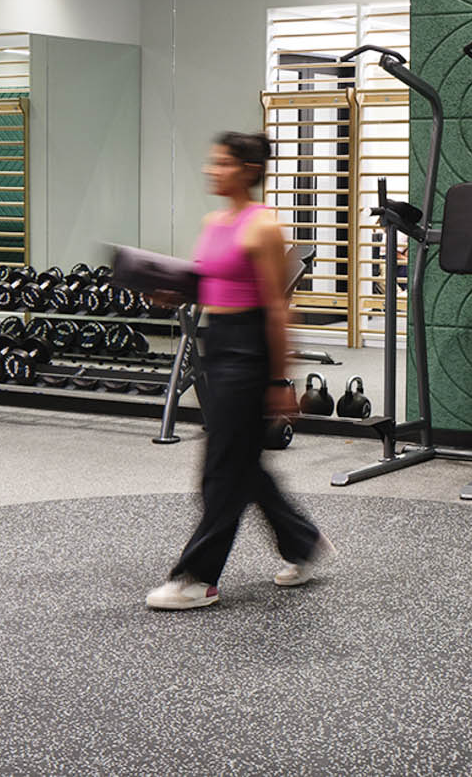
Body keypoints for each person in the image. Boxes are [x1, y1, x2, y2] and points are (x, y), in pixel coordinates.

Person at [147, 130, 333, 609]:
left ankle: (197, 576)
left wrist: (279, 380)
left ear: (248, 170)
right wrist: (173, 293)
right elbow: (208, 283)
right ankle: (302, 541)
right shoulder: (214, 221)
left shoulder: (263, 226)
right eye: (212, 163)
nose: (213, 170)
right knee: (243, 462)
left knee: (221, 469)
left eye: (223, 163)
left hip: (250, 347)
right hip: (219, 342)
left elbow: (276, 308)